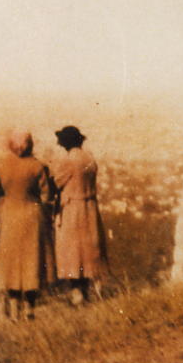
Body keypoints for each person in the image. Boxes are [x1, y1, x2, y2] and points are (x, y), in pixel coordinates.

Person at [0, 130, 55, 320]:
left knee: (11, 263)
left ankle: (13, 308)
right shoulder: (38, 166)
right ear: (31, 145)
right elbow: (46, 195)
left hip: (10, 216)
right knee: (31, 261)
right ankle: (29, 308)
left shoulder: (1, 166)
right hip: (32, 216)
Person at [52, 126, 109, 305]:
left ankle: (77, 293)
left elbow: (55, 183)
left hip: (72, 209)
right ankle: (86, 291)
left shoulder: (68, 161)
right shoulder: (89, 159)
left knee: (72, 252)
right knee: (87, 251)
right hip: (90, 208)